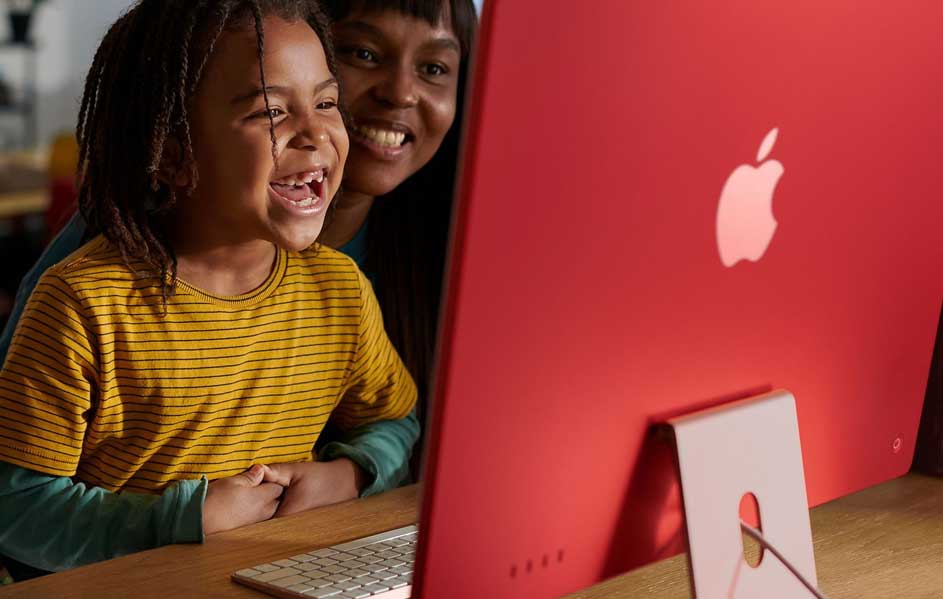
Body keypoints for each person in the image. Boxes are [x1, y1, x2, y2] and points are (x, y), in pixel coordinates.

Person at [0, 0, 416, 578]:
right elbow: (14, 507)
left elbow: (394, 420)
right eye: (271, 112)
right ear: (171, 152)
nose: (316, 134)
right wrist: (178, 519)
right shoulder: (82, 304)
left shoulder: (339, 291)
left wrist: (351, 474)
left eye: (325, 102)